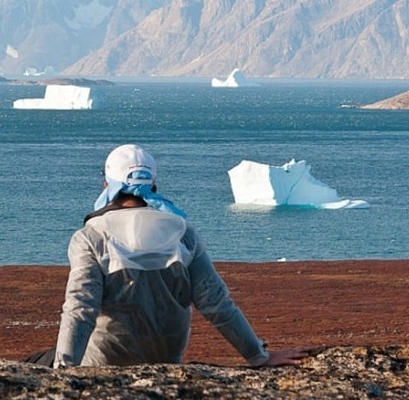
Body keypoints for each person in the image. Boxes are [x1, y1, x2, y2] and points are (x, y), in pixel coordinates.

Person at [44, 144, 309, 369]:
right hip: (166, 362)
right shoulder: (183, 233)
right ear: (154, 184)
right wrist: (258, 356)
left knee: (38, 361)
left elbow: (81, 308)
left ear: (106, 184)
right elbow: (217, 304)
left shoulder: (90, 237)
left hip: (103, 364)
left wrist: (65, 373)